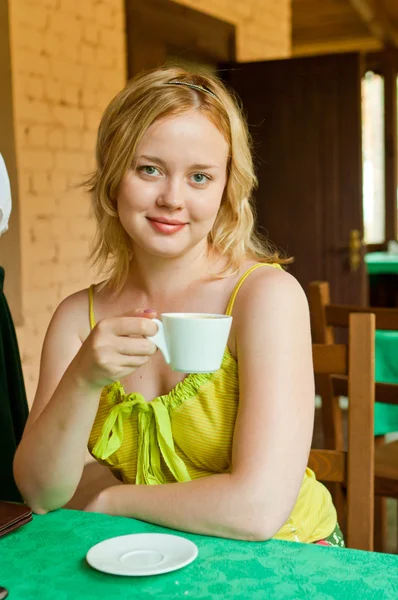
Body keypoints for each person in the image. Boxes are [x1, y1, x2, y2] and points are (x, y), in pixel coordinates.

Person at [13, 67, 343, 546]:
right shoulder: (76, 318)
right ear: (113, 175)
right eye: (149, 169)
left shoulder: (265, 297)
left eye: (200, 177)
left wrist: (110, 499)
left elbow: (257, 510)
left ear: (227, 187)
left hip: (283, 559)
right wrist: (84, 378)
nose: (172, 198)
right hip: (145, 556)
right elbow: (42, 492)